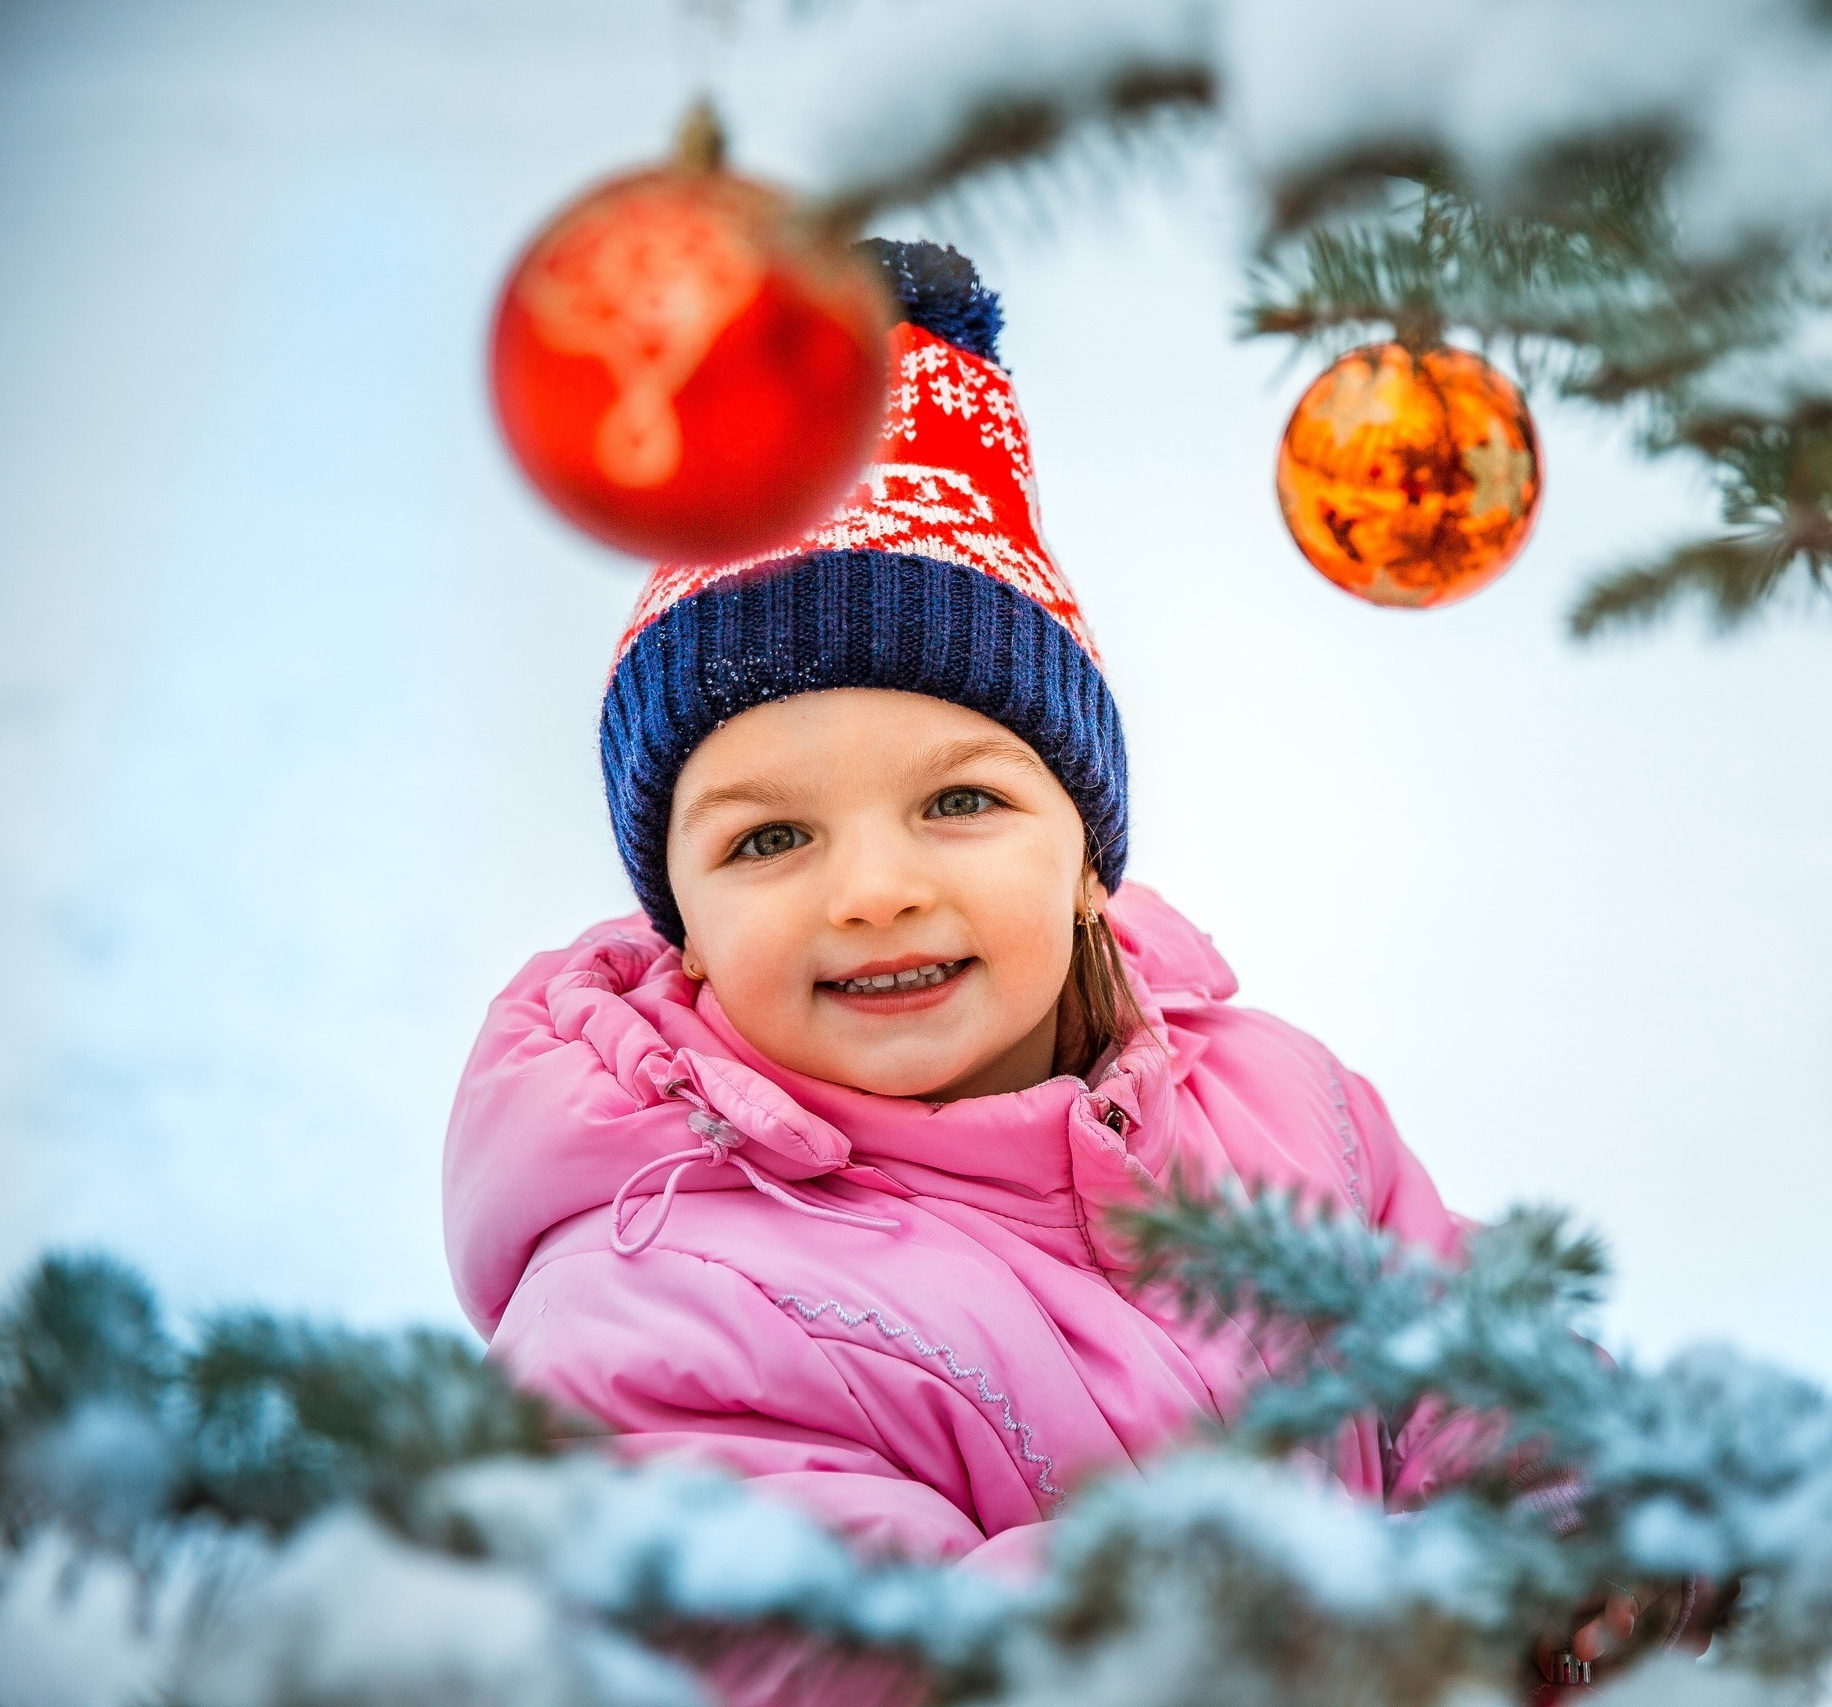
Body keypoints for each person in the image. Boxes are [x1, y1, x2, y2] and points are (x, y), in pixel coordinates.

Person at [442, 242, 1667, 1694]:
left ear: (1090, 860)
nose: (877, 889)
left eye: (960, 801)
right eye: (770, 838)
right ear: (680, 924)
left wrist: (1576, 1526)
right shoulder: (653, 1297)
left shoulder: (1283, 1112)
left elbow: (1464, 1368)